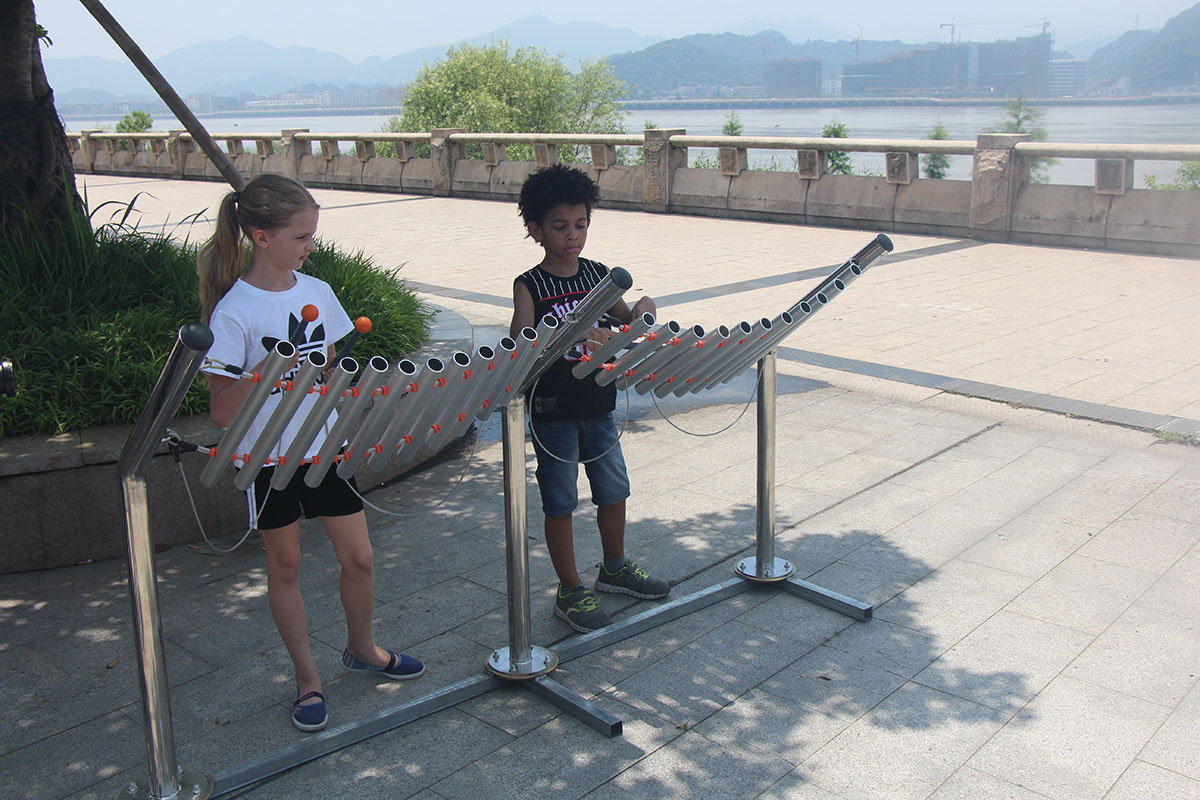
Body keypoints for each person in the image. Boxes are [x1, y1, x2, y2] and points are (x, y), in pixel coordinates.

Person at [197, 173, 423, 733]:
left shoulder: (317, 293)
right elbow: (222, 411)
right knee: (288, 564)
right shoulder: (233, 311)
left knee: (362, 557)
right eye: (300, 237)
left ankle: (362, 649)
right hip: (268, 458)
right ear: (260, 237)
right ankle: (307, 679)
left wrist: (332, 376)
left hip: (321, 448)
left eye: (312, 235)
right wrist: (273, 373)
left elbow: (329, 368)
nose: (310, 246)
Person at [510, 164, 670, 633]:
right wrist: (566, 332)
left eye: (581, 225)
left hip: (599, 403)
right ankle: (569, 588)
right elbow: (520, 345)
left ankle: (615, 568)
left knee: (614, 490)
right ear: (535, 229)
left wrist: (641, 311)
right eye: (560, 227)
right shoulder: (530, 285)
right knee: (559, 501)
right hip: (553, 409)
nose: (573, 235)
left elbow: (624, 320)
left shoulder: (600, 276)